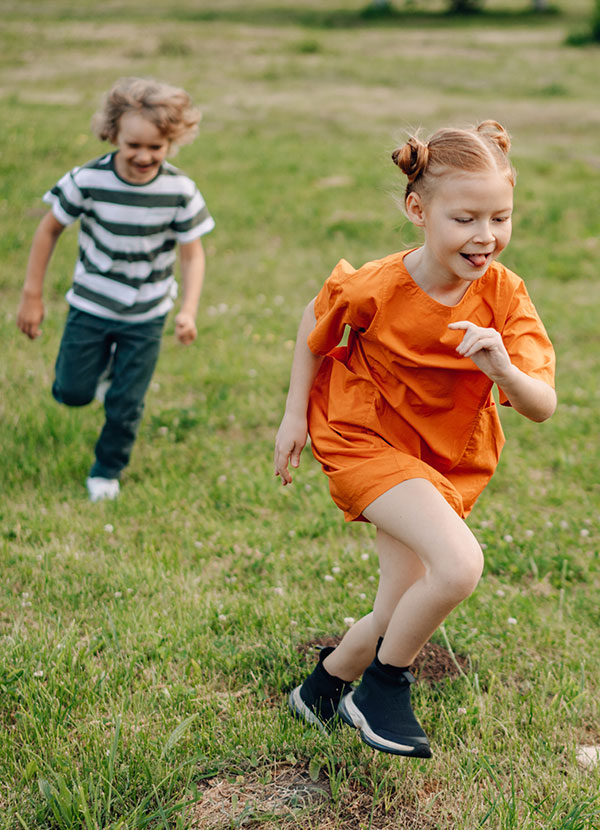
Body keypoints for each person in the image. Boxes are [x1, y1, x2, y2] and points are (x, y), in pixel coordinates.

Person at [274, 120, 556, 758]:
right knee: (458, 566)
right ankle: (382, 687)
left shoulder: (506, 297)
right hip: (364, 440)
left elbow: (543, 404)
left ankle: (321, 690)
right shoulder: (380, 284)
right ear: (417, 209)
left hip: (443, 461)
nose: (485, 237)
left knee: (399, 606)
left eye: (501, 217)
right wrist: (296, 415)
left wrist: (503, 369)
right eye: (465, 219)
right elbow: (315, 318)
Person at [17, 77, 214, 502]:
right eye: (133, 146)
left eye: (156, 148)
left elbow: (192, 254)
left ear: (171, 142)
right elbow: (49, 229)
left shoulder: (179, 191)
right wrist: (32, 294)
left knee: (126, 403)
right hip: (90, 304)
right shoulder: (88, 180)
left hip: (146, 313)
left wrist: (188, 309)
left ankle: (107, 470)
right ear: (113, 135)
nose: (144, 156)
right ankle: (100, 371)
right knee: (71, 392)